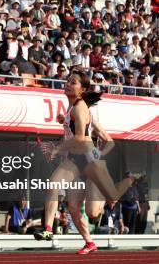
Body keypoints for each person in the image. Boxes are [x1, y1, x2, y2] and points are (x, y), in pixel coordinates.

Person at [36, 72, 134, 254]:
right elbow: (75, 133)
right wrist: (63, 122)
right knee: (60, 193)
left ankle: (127, 182)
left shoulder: (80, 108)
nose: (67, 84)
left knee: (93, 213)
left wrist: (57, 149)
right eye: (67, 81)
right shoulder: (72, 108)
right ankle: (53, 232)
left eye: (73, 82)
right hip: (74, 160)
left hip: (91, 162)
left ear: (81, 90)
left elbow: (82, 138)